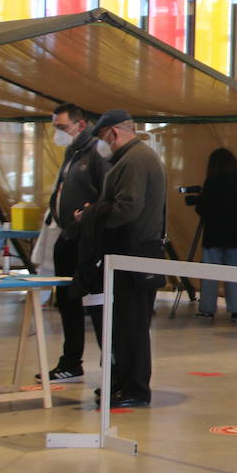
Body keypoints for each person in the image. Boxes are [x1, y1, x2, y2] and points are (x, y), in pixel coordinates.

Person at [78, 109, 166, 409]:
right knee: (122, 324)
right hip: (128, 253)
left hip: (136, 253)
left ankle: (135, 388)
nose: (102, 146)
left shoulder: (136, 159)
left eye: (102, 138)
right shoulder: (131, 157)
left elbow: (128, 208)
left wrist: (92, 215)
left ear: (113, 133)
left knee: (132, 325)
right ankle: (119, 381)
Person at [45, 104, 107, 381]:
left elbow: (105, 195)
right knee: (67, 300)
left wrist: (88, 217)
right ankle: (71, 361)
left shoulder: (97, 152)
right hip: (67, 235)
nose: (58, 134)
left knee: (95, 303)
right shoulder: (72, 152)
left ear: (80, 125)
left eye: (62, 128)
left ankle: (112, 363)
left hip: (88, 240)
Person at [193, 148, 237, 322]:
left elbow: (202, 208)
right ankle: (235, 309)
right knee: (233, 275)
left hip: (213, 235)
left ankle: (208, 309)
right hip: (234, 235)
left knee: (210, 274)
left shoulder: (212, 181)